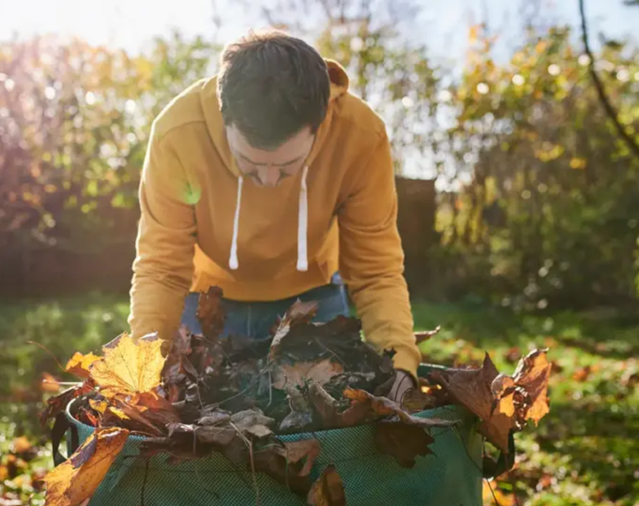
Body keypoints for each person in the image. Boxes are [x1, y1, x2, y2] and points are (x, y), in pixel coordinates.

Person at [128, 29, 422, 398]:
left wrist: (398, 362)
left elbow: (375, 269)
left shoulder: (361, 135)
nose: (268, 180)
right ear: (224, 118)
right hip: (206, 303)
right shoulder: (177, 134)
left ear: (321, 123)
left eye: (287, 167)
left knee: (321, 425)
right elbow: (161, 267)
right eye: (250, 163)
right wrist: (143, 366)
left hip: (312, 302)